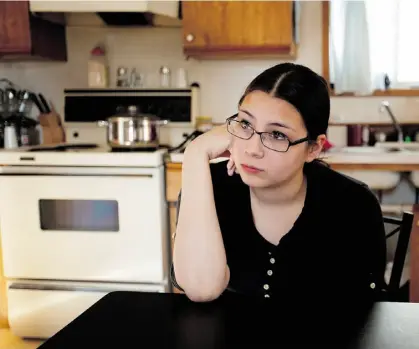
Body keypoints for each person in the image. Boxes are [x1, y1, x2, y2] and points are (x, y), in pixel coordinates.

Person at [172, 63, 387, 303]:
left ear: (313, 148)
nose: (252, 150)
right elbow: (202, 289)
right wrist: (195, 152)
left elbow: (362, 317)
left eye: (277, 135)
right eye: (245, 124)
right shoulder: (210, 187)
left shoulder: (352, 204)